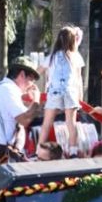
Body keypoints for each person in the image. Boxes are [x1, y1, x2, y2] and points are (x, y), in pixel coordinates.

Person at [0, 56, 42, 169]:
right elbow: (25, 119)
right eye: (31, 79)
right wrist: (36, 100)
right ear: (22, 74)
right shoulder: (9, 90)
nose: (32, 85)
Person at [38, 26, 85, 155]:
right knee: (71, 123)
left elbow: (39, 72)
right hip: (70, 91)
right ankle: (73, 151)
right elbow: (78, 78)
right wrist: (80, 96)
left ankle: (39, 151)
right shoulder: (75, 56)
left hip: (54, 92)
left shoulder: (52, 57)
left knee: (47, 123)